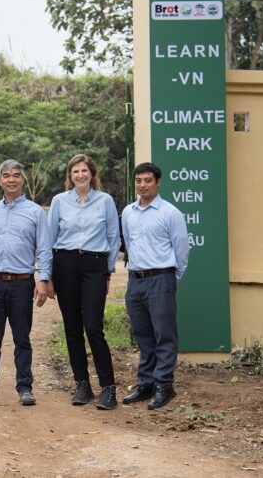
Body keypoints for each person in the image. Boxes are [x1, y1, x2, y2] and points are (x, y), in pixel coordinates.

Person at [0, 159, 52, 407]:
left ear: (23, 180)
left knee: (22, 338)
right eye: (6, 175)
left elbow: (45, 248)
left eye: (16, 175)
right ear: (0, 180)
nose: (11, 179)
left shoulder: (36, 212)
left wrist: (43, 280)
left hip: (21, 283)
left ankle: (25, 387)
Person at [47, 154, 121, 410]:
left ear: (92, 174)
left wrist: (108, 272)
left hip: (94, 266)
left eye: (84, 171)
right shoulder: (59, 201)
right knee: (72, 327)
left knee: (93, 326)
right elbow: (49, 239)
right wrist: (46, 276)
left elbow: (113, 238)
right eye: (75, 171)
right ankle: (82, 384)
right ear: (70, 175)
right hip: (65, 264)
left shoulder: (105, 201)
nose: (80, 175)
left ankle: (109, 388)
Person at [120, 162, 190, 410]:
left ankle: (164, 385)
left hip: (161, 279)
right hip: (135, 281)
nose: (142, 185)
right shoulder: (128, 212)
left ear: (158, 182)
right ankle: (146, 383)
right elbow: (128, 242)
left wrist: (169, 279)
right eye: (138, 180)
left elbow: (181, 251)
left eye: (148, 180)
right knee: (143, 336)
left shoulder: (170, 213)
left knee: (164, 335)